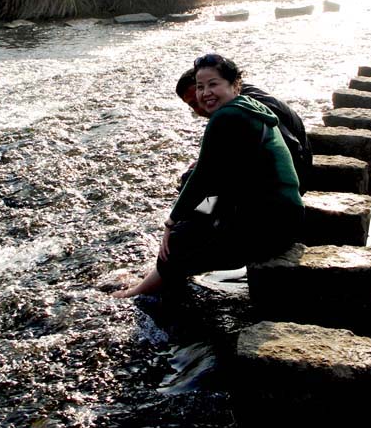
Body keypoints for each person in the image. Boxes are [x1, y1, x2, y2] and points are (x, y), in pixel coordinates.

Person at [112, 54, 305, 298]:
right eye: (201, 87)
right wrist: (191, 218)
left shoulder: (226, 117)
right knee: (194, 223)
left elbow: (203, 178)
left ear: (234, 84)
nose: (205, 94)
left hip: (270, 227)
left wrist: (171, 223)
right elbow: (221, 182)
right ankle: (158, 280)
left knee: (180, 240)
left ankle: (143, 294)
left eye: (213, 84)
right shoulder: (250, 108)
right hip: (285, 218)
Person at [175, 67, 312, 193]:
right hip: (292, 173)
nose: (202, 103)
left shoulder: (244, 113)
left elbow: (288, 151)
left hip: (285, 187)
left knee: (197, 186)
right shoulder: (239, 97)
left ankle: (203, 216)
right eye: (193, 104)